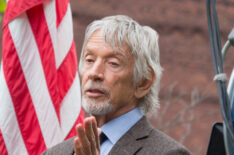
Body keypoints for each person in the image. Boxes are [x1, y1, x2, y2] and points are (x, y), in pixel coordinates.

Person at [42, 15, 190, 155]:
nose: (94, 73)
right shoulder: (55, 153)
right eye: (89, 60)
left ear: (143, 82)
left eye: (113, 63)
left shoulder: (169, 153)